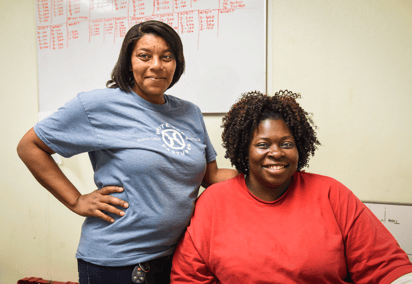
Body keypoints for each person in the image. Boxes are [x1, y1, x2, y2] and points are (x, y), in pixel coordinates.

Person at [17, 20, 237, 284]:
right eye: (145, 56)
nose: (157, 65)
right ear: (128, 61)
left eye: (167, 57)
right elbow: (30, 146)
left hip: (175, 257)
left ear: (177, 63)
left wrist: (266, 175)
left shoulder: (189, 112)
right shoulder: (99, 105)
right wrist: (76, 200)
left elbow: (209, 175)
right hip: (116, 263)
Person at [170, 90, 412, 283]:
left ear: (300, 148)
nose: (276, 153)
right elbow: (188, 278)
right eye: (263, 145)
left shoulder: (332, 194)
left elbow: (385, 267)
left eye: (286, 144)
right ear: (244, 150)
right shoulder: (214, 202)